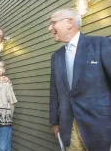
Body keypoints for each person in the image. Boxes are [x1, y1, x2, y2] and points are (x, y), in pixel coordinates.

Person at [48, 9, 111, 151]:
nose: (49, 28)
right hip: (68, 128)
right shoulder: (56, 57)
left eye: (53, 23)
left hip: (100, 128)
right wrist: (55, 123)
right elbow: (54, 93)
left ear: (70, 22)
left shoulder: (101, 44)